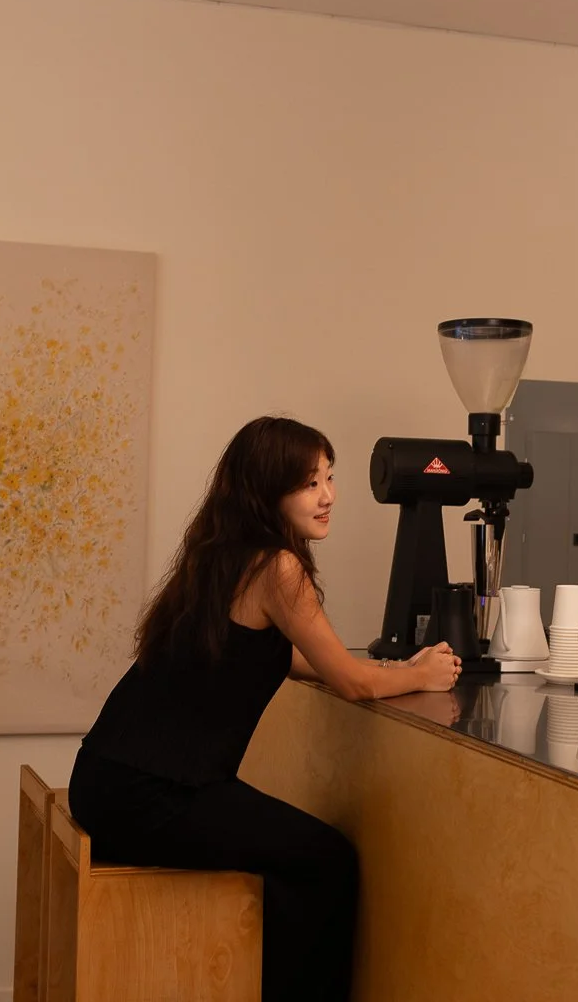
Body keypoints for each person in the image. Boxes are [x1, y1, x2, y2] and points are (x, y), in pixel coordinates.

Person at [70, 415, 461, 1002]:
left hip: (108, 778)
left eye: (329, 477)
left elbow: (274, 656)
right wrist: (417, 673)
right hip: (154, 795)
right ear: (266, 489)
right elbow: (351, 683)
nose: (327, 496)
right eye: (308, 483)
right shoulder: (276, 566)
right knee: (328, 861)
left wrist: (390, 672)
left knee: (295, 867)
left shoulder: (221, 555)